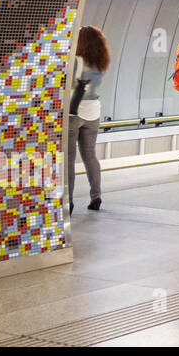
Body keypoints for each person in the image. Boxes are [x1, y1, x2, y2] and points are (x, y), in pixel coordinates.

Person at [67, 25, 109, 214]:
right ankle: (96, 197)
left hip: (74, 113)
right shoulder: (100, 63)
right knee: (90, 156)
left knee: (68, 158)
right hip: (94, 112)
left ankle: (68, 201)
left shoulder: (75, 61)